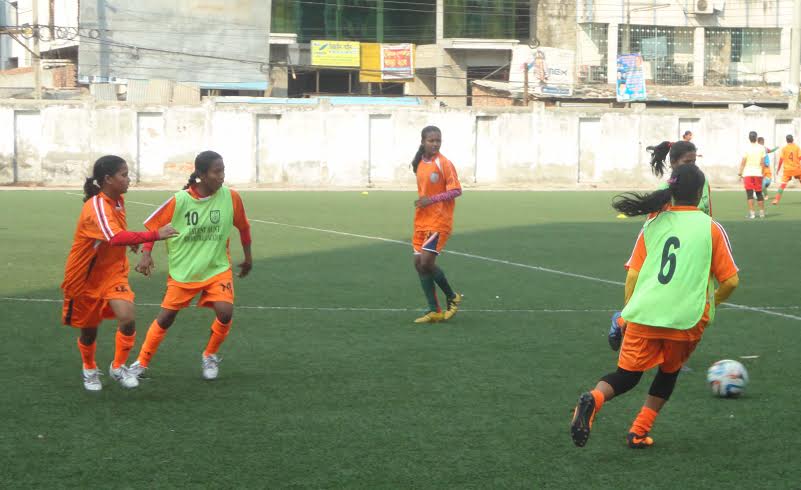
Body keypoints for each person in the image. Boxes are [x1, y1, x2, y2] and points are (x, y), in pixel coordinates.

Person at [571, 163, 739, 449]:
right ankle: (638, 431)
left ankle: (594, 399)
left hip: (644, 315)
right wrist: (709, 302)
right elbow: (731, 281)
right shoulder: (711, 228)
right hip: (686, 319)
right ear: (700, 193)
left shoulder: (653, 223)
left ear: (671, 191)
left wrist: (626, 315)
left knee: (626, 376)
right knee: (668, 373)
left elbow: (633, 274)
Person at [129, 151, 253, 380]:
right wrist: (146, 254)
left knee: (225, 312)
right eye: (217, 172)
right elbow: (154, 227)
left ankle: (210, 354)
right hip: (183, 272)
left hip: (217, 268)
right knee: (166, 318)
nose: (222, 176)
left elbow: (243, 227)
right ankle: (141, 363)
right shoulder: (180, 200)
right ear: (202, 175)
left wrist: (248, 257)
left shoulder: (231, 197)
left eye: (223, 170)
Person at [61, 155, 177, 391]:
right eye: (123, 175)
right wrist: (154, 234)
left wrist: (130, 242)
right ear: (107, 179)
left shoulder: (118, 201)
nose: (128, 179)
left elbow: (116, 233)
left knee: (127, 317)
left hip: (113, 272)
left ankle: (117, 366)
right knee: (89, 330)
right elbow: (114, 237)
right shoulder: (96, 206)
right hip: (85, 278)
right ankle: (89, 368)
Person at [609, 140, 710, 351]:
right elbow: (654, 226)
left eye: (694, 161)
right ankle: (622, 319)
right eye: (686, 162)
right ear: (673, 163)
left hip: (691, 248)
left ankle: (669, 346)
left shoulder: (701, 181)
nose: (692, 166)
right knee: (655, 294)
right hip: (669, 249)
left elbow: (708, 213)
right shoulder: (665, 190)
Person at [410, 126, 463, 324]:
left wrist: (430, 200)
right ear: (423, 141)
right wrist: (424, 202)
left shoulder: (444, 163)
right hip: (422, 219)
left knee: (426, 263)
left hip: (439, 220)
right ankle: (434, 311)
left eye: (438, 140)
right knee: (418, 264)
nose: (435, 144)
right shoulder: (419, 163)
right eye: (431, 140)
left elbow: (456, 190)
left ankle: (452, 296)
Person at [738, 131, 767, 219]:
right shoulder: (762, 148)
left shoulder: (746, 148)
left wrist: (740, 172)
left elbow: (743, 162)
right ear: (756, 138)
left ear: (749, 138)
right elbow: (762, 162)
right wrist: (762, 172)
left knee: (749, 194)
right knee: (759, 193)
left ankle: (752, 214)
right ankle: (762, 213)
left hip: (748, 173)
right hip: (758, 173)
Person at [771, 134, 801, 205]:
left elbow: (781, 160)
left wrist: (778, 169)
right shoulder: (797, 147)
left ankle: (776, 200)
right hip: (797, 169)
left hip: (787, 170)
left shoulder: (784, 148)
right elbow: (800, 157)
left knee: (783, 185)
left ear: (786, 140)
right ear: (792, 139)